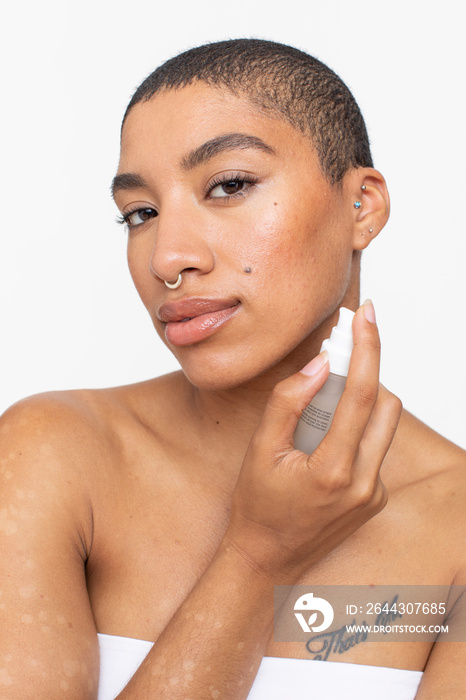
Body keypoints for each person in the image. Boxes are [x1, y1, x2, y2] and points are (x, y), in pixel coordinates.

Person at [1, 38, 465, 700]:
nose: (168, 257)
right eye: (141, 213)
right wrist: (256, 557)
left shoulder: (457, 528)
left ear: (360, 207)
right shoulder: (52, 455)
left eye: (230, 185)